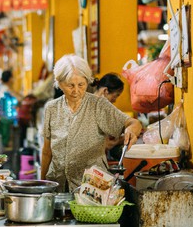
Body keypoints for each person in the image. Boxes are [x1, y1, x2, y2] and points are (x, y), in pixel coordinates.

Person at [40, 54, 142, 192]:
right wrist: (42, 185)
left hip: (91, 189)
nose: (76, 91)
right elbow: (47, 152)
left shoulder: (98, 105)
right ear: (59, 83)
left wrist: (131, 130)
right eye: (70, 85)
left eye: (81, 85)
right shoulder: (52, 108)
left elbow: (133, 123)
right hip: (58, 185)